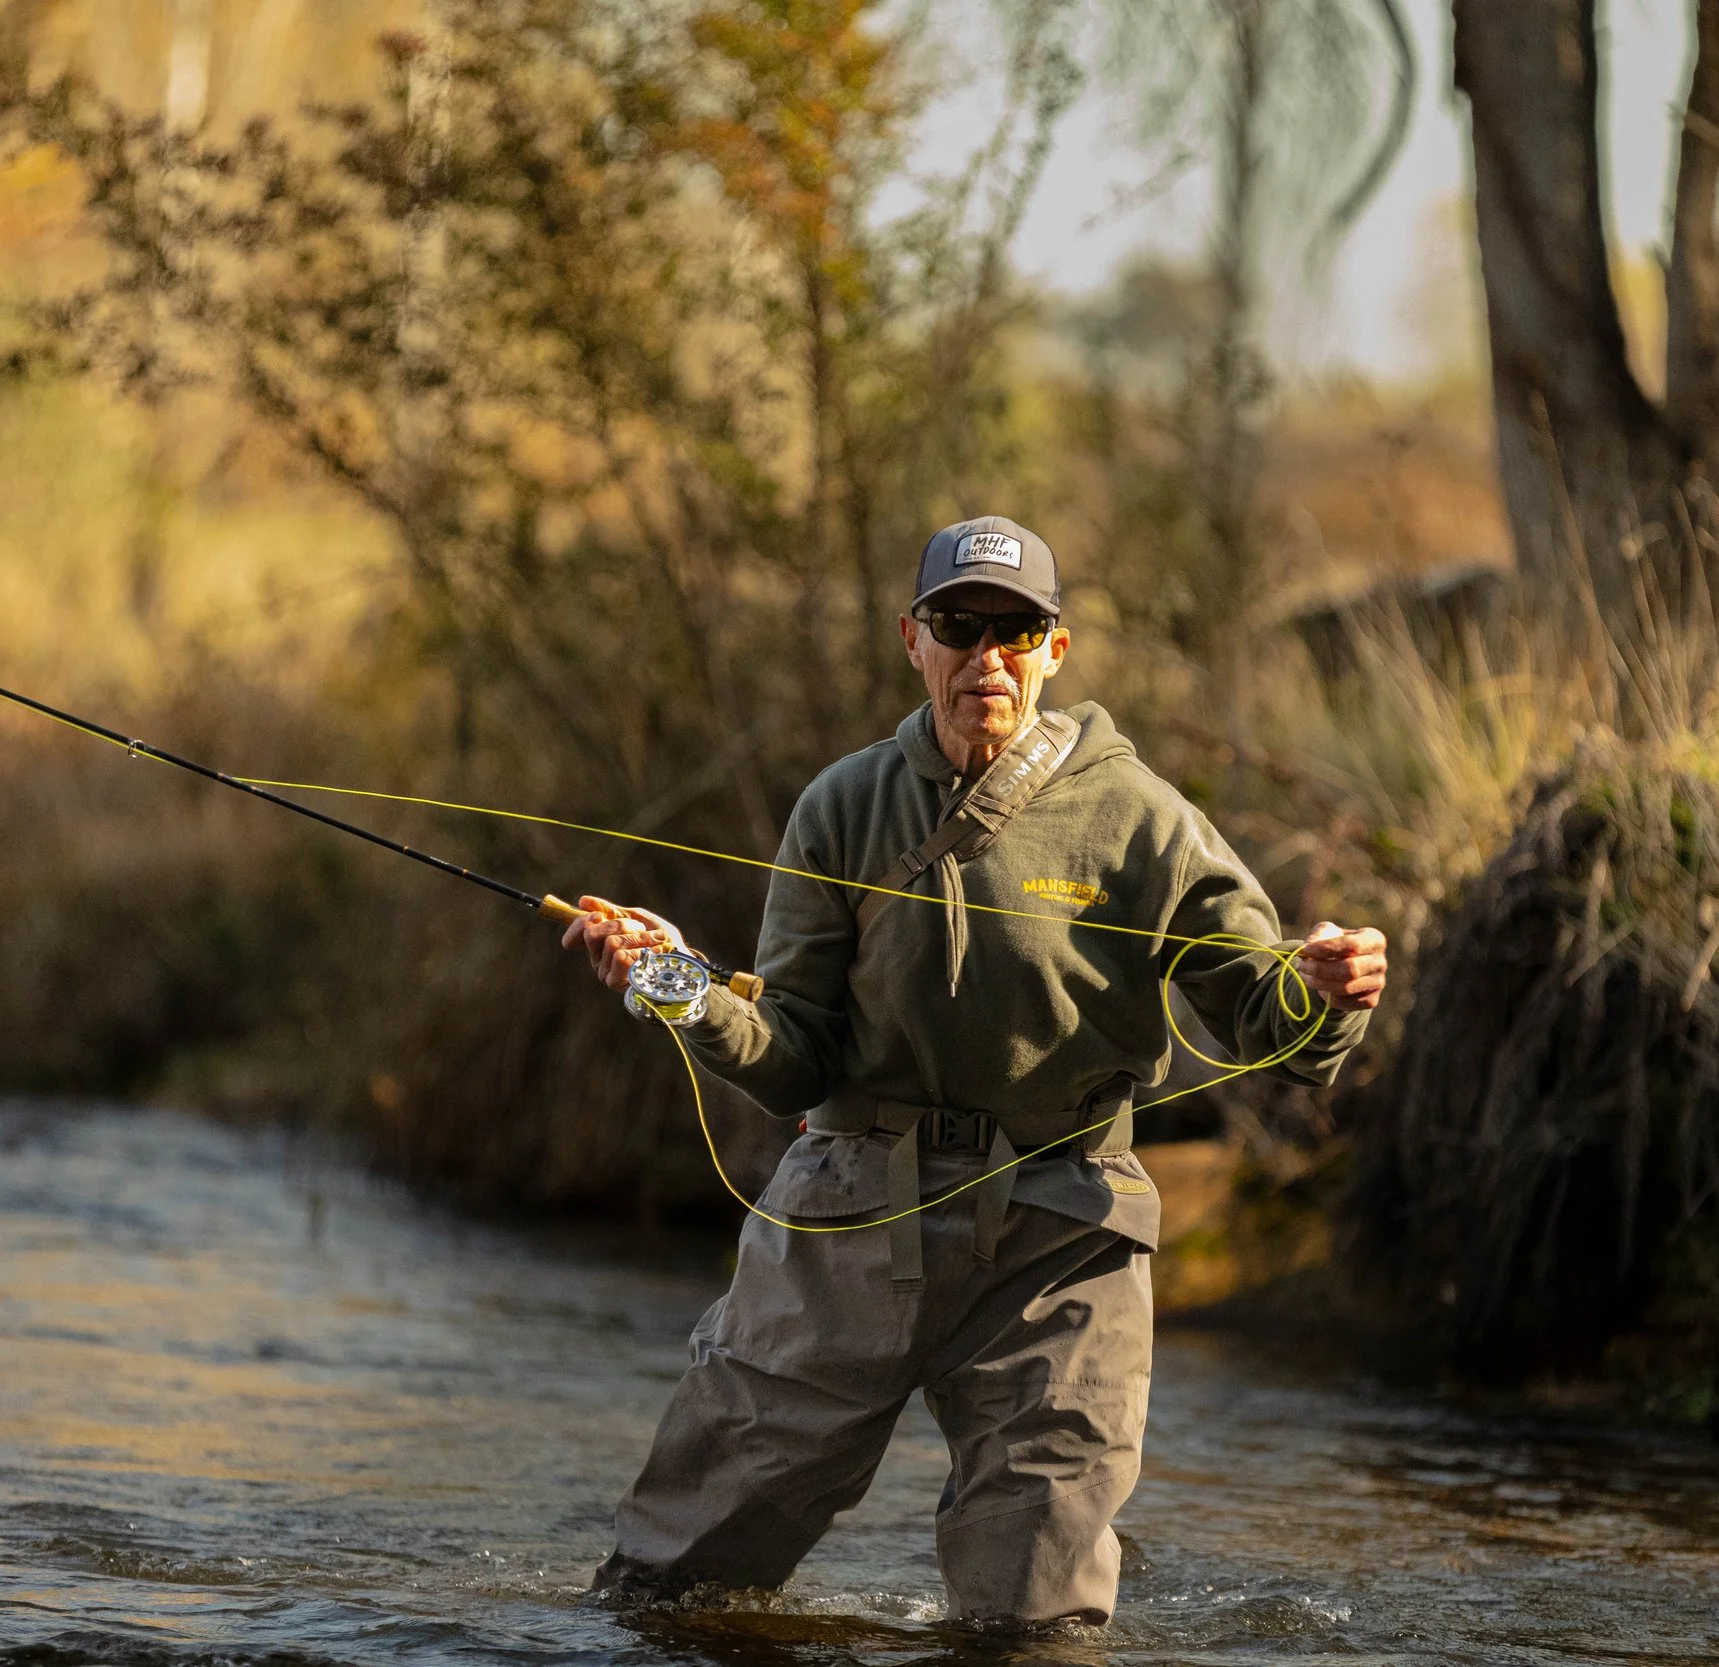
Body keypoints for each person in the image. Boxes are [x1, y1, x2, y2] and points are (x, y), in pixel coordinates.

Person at [564, 514, 1388, 1625]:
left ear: (1056, 646)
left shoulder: (1145, 820)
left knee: (1034, 1612)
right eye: (960, 624)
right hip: (850, 1213)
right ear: (913, 639)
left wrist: (1326, 991)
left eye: (1015, 629)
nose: (985, 655)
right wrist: (677, 990)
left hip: (1061, 1236)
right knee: (670, 1587)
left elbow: (1262, 1023)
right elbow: (795, 1055)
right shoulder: (841, 805)